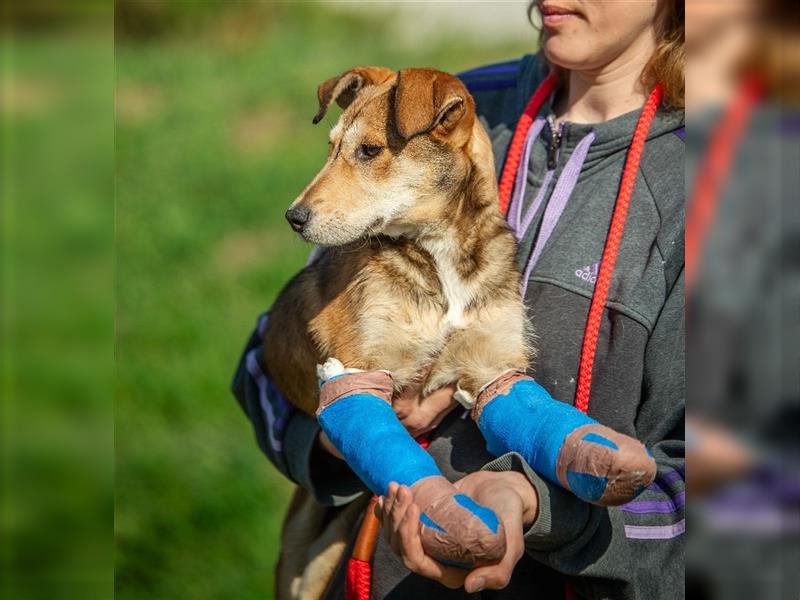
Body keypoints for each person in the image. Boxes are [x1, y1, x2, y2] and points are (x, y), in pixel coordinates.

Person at [232, 0, 685, 597]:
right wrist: (344, 438)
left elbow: (732, 503)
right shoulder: (445, 104)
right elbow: (267, 362)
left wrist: (535, 506)